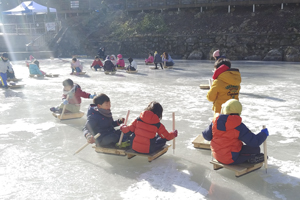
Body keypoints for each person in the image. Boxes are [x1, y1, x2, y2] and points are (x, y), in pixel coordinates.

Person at [202, 99, 268, 165]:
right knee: (255, 149)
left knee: (232, 147)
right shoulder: (238, 126)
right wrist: (263, 134)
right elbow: (254, 142)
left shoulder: (215, 122)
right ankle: (248, 159)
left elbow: (206, 136)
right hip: (231, 159)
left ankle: (245, 158)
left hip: (216, 155)